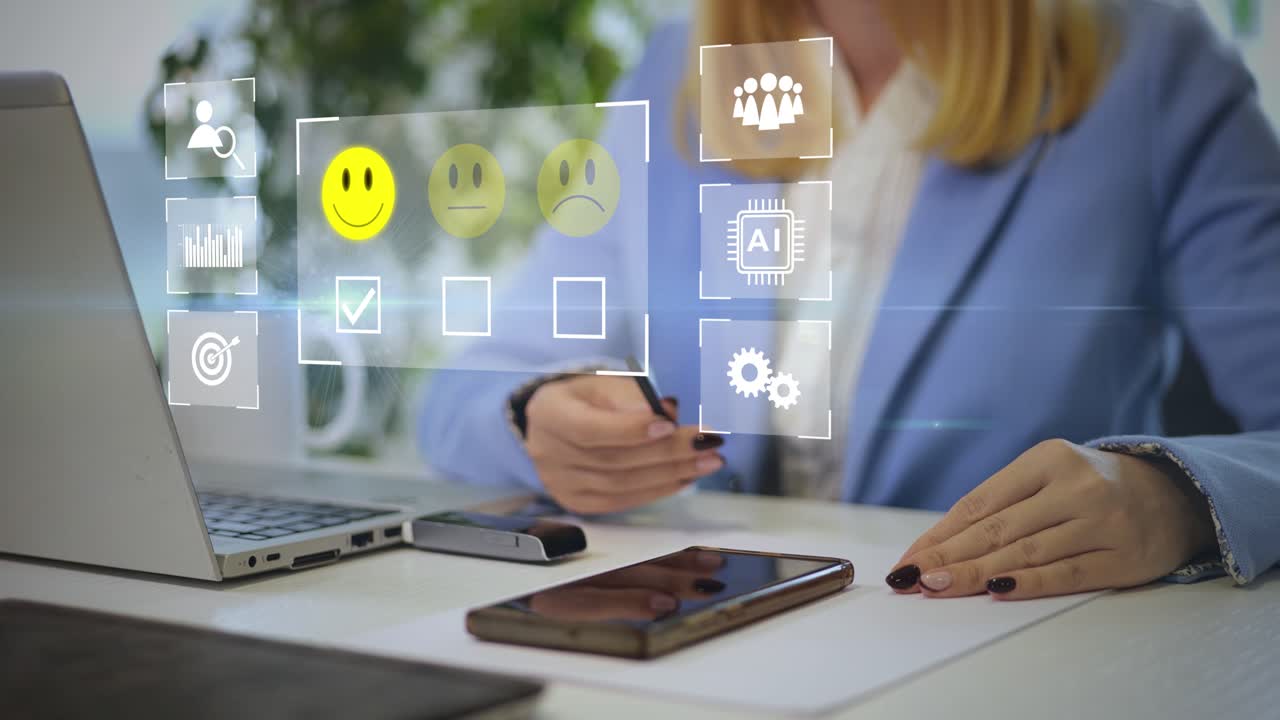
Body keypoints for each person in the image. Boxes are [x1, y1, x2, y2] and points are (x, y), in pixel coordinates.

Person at [420, 0, 1280, 601]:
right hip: (698, 640)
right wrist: (537, 416)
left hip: (1004, 658)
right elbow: (468, 388)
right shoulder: (673, 76)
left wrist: (1175, 501)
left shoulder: (1154, 67)